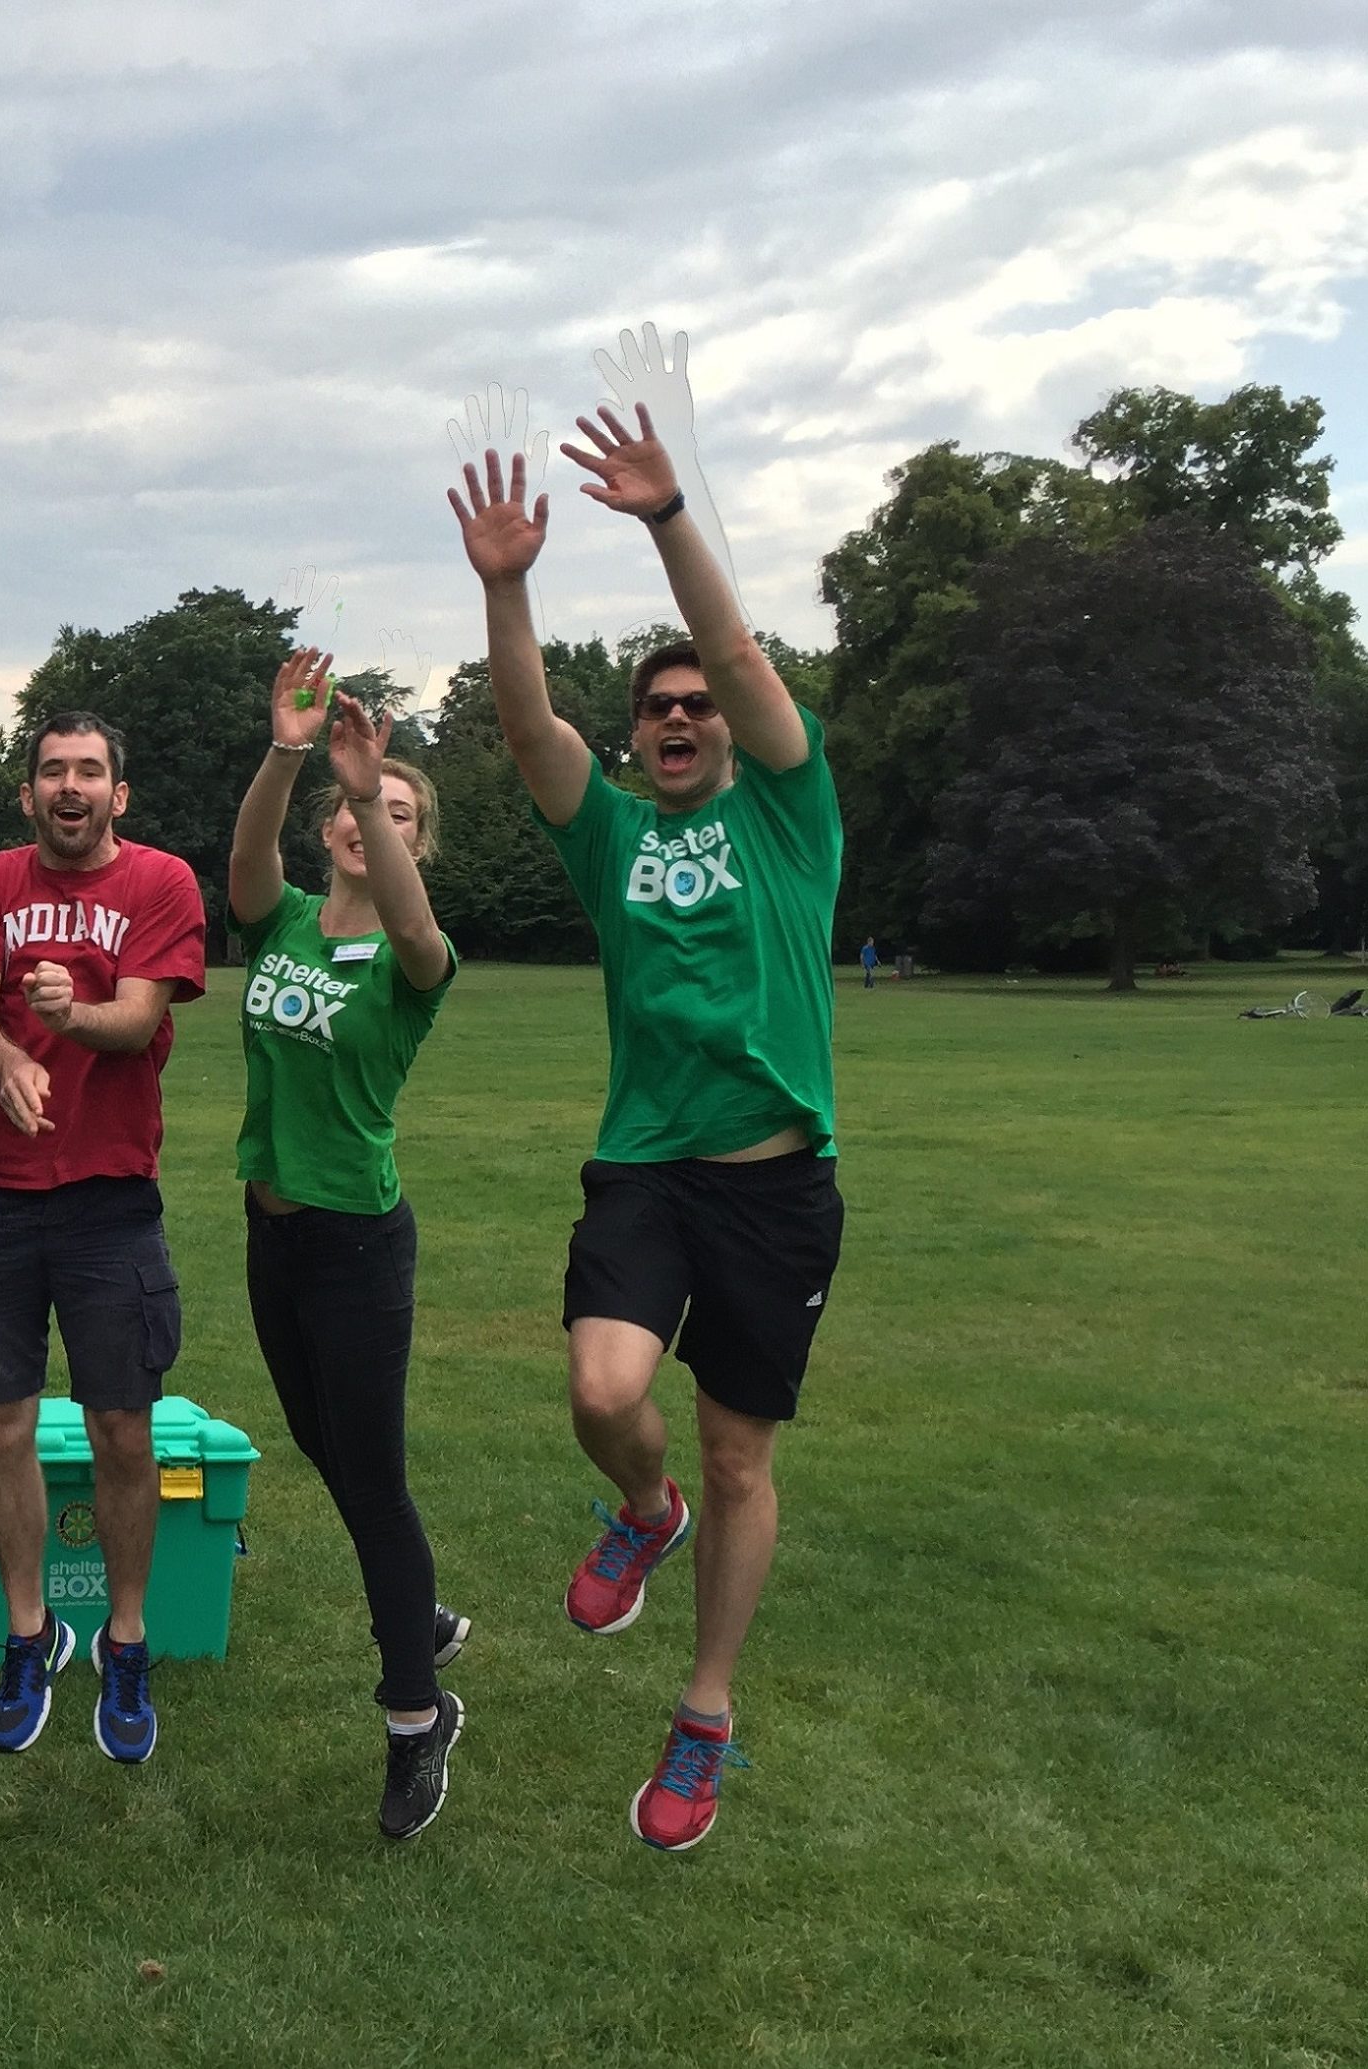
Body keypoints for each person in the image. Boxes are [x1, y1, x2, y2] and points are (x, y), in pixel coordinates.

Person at [450, 404, 846, 1852]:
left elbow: (740, 658)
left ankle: (705, 1716)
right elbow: (522, 723)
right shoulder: (610, 832)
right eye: (656, 711)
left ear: (730, 728)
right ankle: (643, 1505)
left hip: (778, 1190)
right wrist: (508, 585)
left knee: (747, 1457)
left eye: (698, 708)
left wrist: (670, 516)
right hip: (647, 1173)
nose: (679, 720)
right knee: (606, 1391)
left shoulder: (792, 817)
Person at [228, 649, 472, 1839]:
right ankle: (413, 1610)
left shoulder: (416, 962)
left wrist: (375, 783)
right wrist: (288, 750)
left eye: (394, 812)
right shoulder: (278, 922)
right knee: (321, 1445)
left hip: (359, 1246)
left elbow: (418, 930)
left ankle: (417, 1718)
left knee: (370, 1479)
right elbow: (241, 867)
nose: (365, 819)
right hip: (268, 1234)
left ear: (409, 839)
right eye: (354, 805)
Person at [0, 710, 204, 1759]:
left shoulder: (159, 884)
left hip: (107, 1194)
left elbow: (137, 1019)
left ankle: (123, 1640)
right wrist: (7, 1059)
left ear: (117, 793)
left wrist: (71, 1014)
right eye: (52, 770)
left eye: (90, 769)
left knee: (121, 1432)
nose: (71, 785)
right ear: (28, 792)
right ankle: (26, 1631)